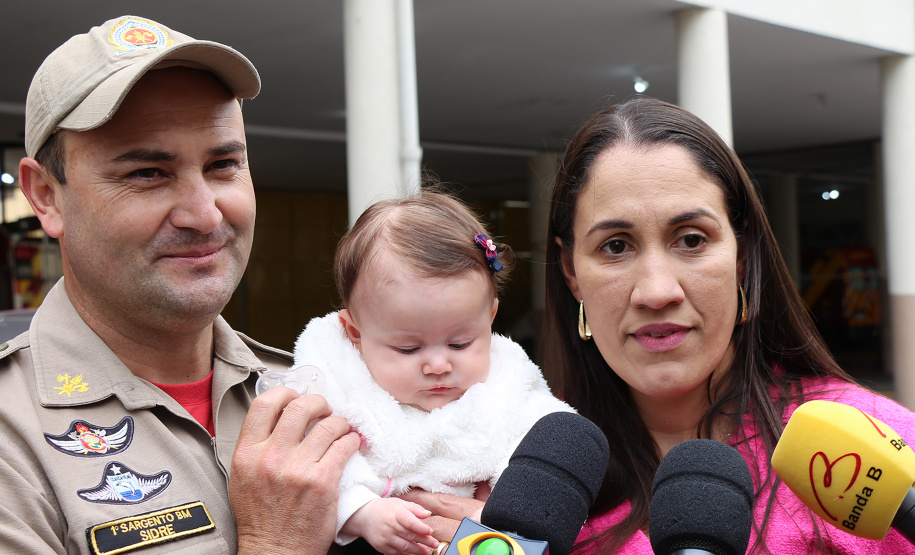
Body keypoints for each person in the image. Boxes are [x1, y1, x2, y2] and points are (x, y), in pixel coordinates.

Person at [0, 15, 359, 554]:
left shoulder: (318, 389)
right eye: (147, 173)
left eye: (223, 164)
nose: (204, 213)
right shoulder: (12, 433)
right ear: (47, 196)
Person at [543, 96, 915, 553]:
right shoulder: (515, 475)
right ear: (570, 272)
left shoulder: (879, 442)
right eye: (616, 247)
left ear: (741, 256)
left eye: (692, 239)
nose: (658, 291)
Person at [292, 190, 574, 554]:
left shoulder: (506, 382)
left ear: (489, 319)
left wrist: (515, 506)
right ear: (356, 335)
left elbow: (550, 439)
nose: (438, 365)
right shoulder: (335, 382)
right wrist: (362, 512)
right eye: (409, 349)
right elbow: (315, 470)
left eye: (460, 344)